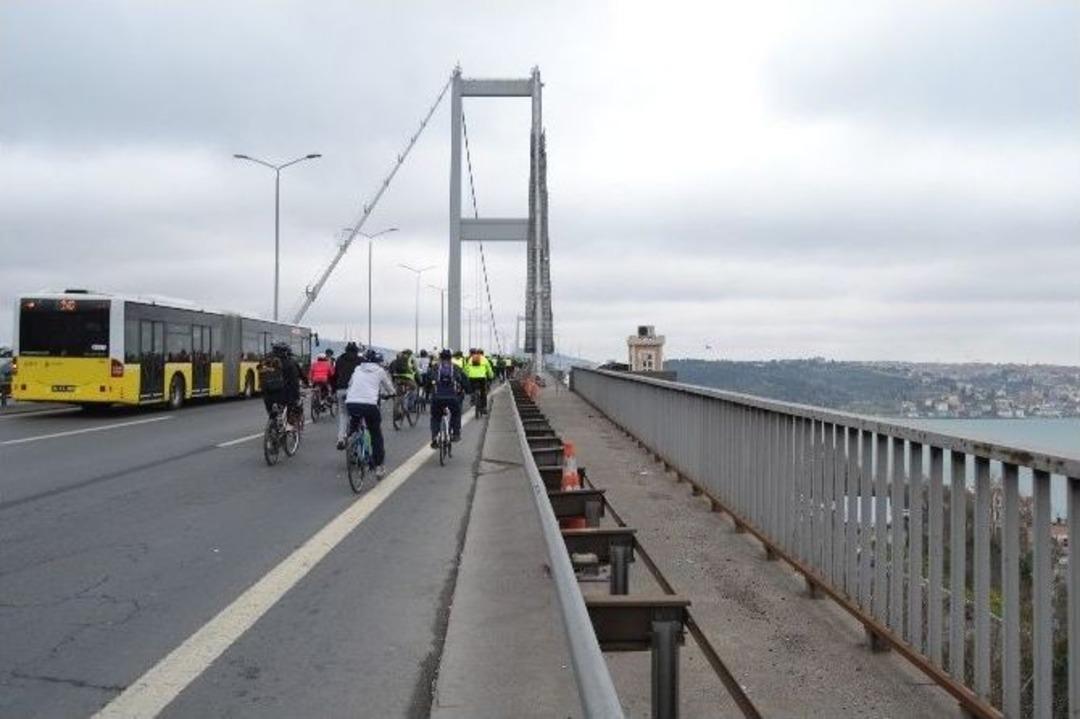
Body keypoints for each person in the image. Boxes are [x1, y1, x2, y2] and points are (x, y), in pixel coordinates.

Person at [345, 348, 396, 479]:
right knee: (376, 434)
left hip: (351, 403)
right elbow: (389, 387)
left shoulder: (357, 369)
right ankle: (379, 466)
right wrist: (391, 394)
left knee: (355, 422)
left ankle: (351, 437)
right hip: (369, 405)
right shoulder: (380, 371)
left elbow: (350, 384)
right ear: (378, 361)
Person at [427, 349, 465, 447]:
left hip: (437, 397)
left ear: (440, 357)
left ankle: (435, 437)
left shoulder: (435, 367)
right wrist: (467, 390)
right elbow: (465, 381)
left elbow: (427, 380)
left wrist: (427, 391)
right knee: (456, 413)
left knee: (435, 416)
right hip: (452, 397)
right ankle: (455, 434)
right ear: (450, 358)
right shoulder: (456, 368)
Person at [260, 342, 302, 428]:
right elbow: (294, 382)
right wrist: (297, 396)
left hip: (267, 393)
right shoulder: (290, 363)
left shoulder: (266, 362)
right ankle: (288, 426)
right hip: (283, 394)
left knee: (272, 413)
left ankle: (273, 427)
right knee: (291, 406)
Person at [333, 342, 362, 450]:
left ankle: (340, 439)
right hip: (356, 391)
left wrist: (334, 389)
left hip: (341, 390)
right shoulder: (360, 360)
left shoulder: (339, 359)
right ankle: (357, 436)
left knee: (343, 414)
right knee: (359, 414)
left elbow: (335, 376)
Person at [464, 347, 495, 412]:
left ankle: (472, 399)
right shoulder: (484, 359)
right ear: (482, 353)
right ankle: (484, 407)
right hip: (482, 378)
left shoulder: (471, 359)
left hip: (472, 377)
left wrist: (467, 376)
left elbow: (466, 369)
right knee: (483, 392)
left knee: (471, 389)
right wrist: (491, 376)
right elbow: (489, 370)